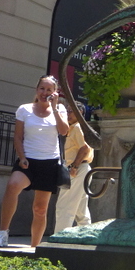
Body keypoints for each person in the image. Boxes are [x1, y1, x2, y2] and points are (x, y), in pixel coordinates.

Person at [0, 75, 69, 248]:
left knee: (40, 209)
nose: (45, 93)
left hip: (49, 163)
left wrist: (55, 108)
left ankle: (34, 248)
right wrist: (22, 157)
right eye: (42, 88)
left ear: (54, 92)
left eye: (49, 90)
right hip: (28, 161)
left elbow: (64, 131)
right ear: (36, 89)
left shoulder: (60, 109)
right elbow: (18, 137)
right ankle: (2, 233)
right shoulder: (24, 109)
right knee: (13, 185)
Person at [54, 100, 94, 233]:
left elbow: (85, 148)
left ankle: (59, 238)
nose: (68, 114)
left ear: (80, 112)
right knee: (80, 210)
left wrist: (74, 167)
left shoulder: (77, 127)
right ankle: (87, 235)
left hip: (77, 170)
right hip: (83, 169)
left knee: (64, 206)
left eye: (71, 111)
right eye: (67, 111)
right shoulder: (76, 127)